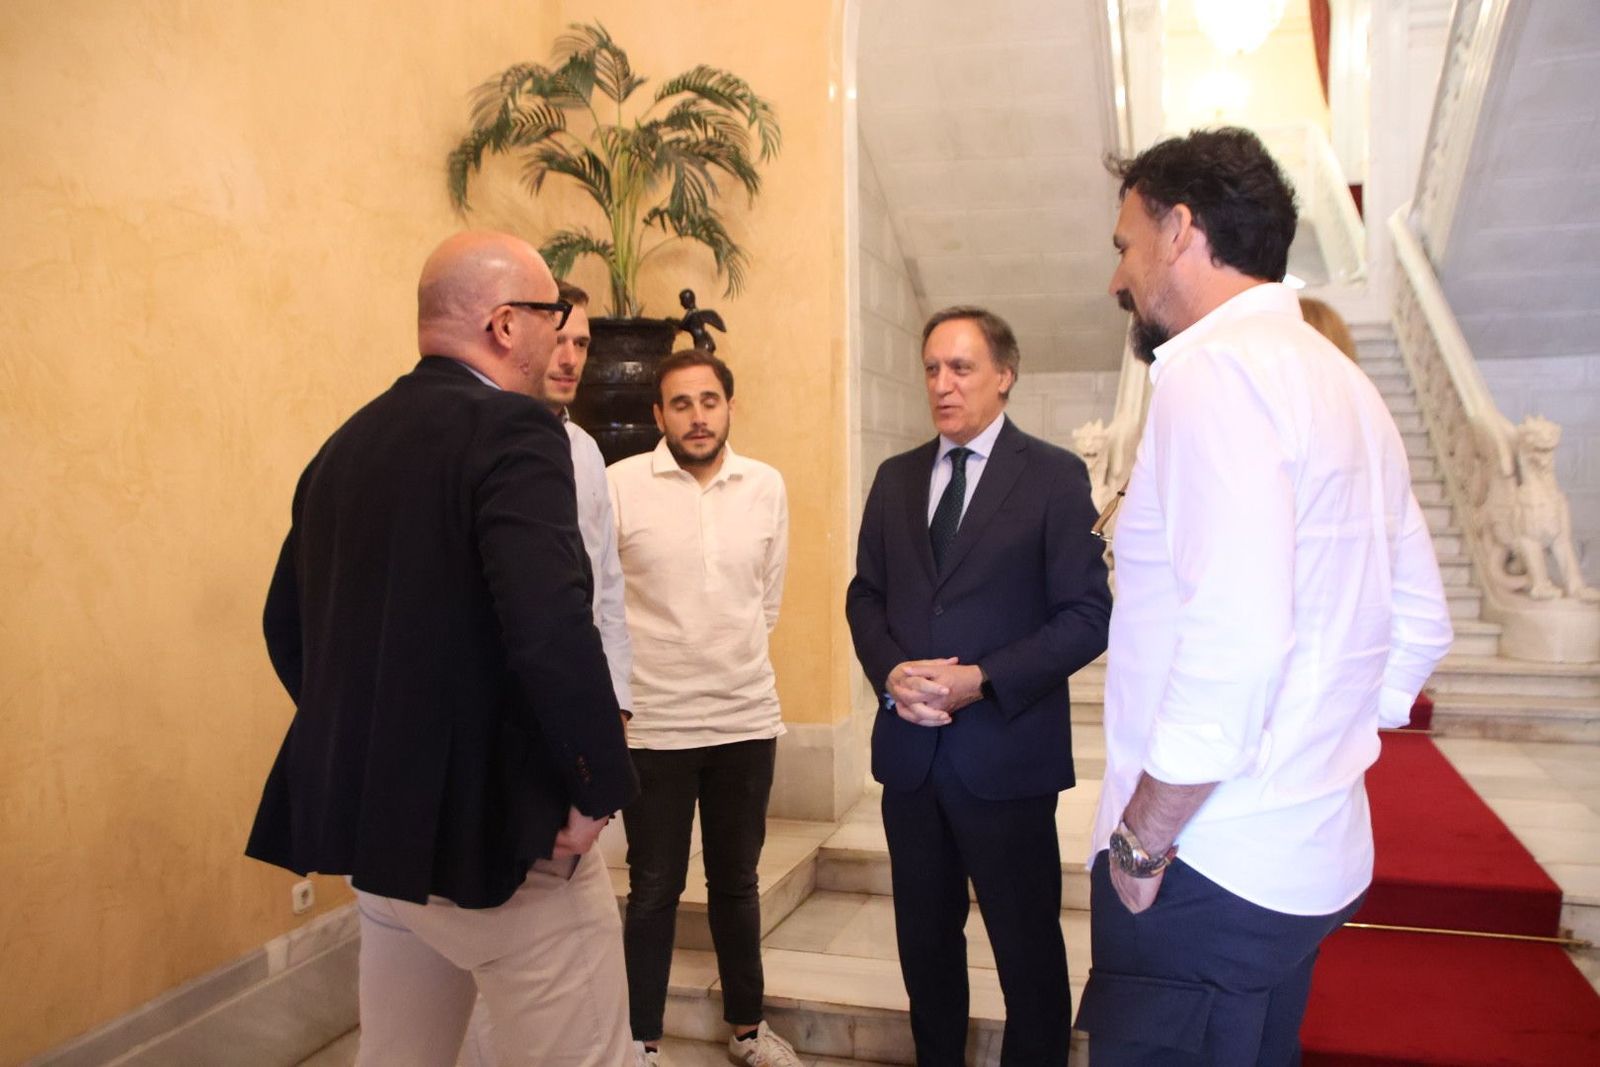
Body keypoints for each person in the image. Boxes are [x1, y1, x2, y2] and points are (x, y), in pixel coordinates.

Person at [1076, 128, 1454, 1065]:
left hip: (1206, 866)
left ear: (1181, 231)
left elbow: (1236, 643)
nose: (1117, 278)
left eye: (1125, 244)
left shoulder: (1212, 371)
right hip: (1309, 852)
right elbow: (1421, 622)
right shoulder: (1343, 383)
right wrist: (1315, 744)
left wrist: (1143, 844)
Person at [246, 232, 638, 1067]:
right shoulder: (516, 432)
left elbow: (289, 624)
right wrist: (596, 780)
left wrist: (376, 745)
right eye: (548, 317)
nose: (556, 338)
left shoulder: (345, 445)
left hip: (384, 840)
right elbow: (550, 625)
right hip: (502, 843)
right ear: (503, 325)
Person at [845, 307, 1112, 1066]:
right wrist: (889, 669)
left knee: (1027, 957)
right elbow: (864, 594)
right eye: (932, 368)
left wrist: (982, 678)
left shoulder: (1054, 476)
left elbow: (1088, 614)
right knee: (925, 951)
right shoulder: (897, 478)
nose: (942, 383)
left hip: (1005, 759)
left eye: (960, 368)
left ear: (1004, 374)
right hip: (911, 759)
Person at [606, 349, 798, 1067]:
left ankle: (747, 1028)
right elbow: (602, 605)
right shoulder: (620, 484)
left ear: (729, 407)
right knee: (654, 885)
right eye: (680, 403)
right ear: (658, 415)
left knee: (738, 880)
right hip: (653, 724)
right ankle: (640, 1040)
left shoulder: (766, 486)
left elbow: (765, 600)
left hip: (745, 718)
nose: (697, 416)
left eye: (709, 400)